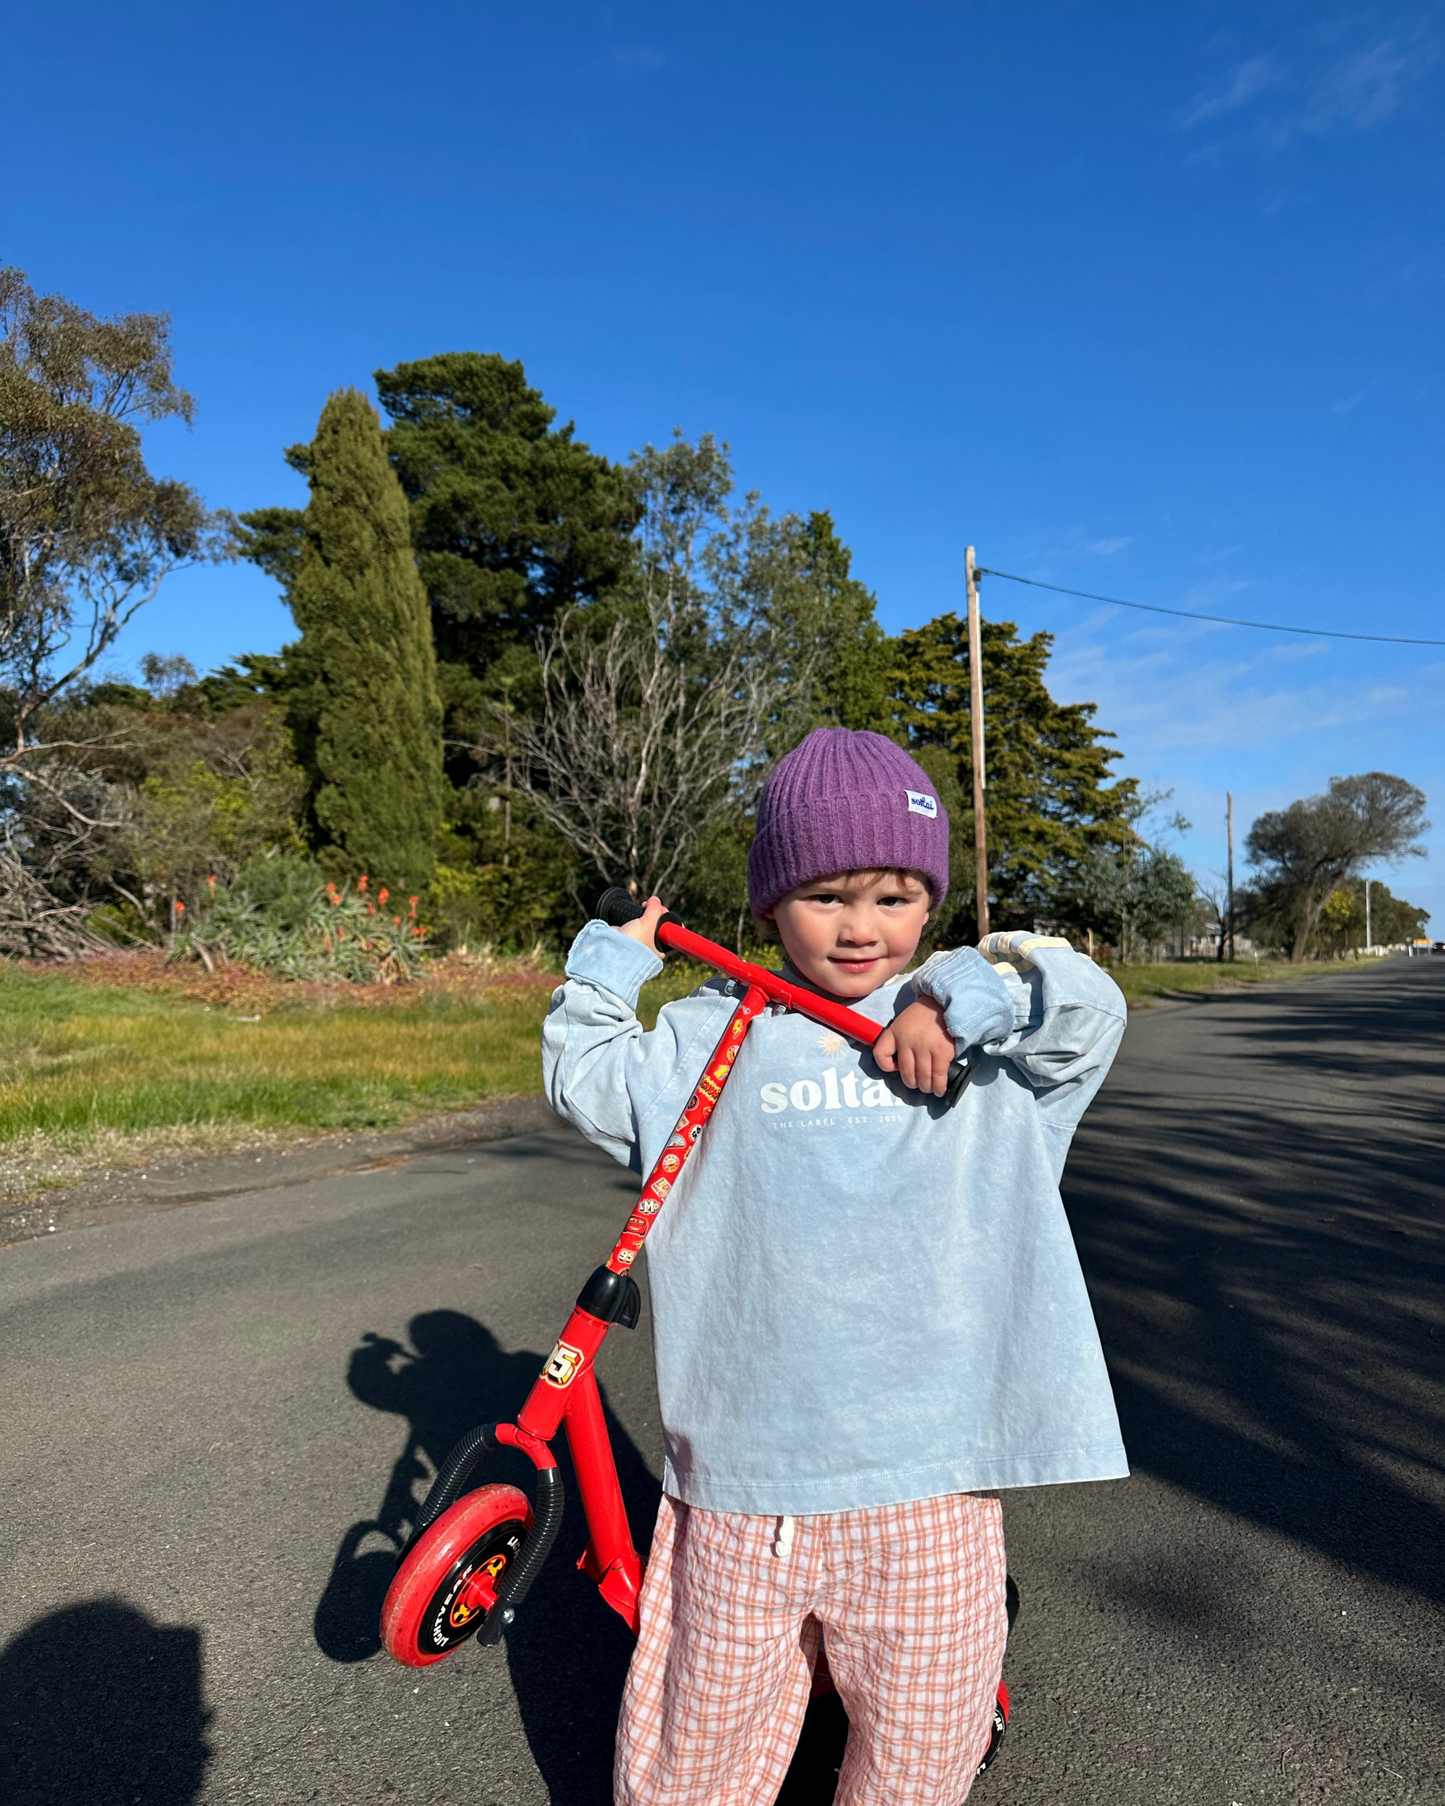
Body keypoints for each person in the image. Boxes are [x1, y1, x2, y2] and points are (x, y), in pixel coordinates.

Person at [541, 727, 1129, 1806]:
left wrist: (960, 990)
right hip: (738, 1490)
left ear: (931, 902)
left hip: (932, 1489)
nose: (862, 928)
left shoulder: (988, 1050)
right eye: (825, 896)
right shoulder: (706, 1034)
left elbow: (1086, 1000)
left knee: (916, 1764)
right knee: (691, 1765)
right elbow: (587, 1077)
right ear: (768, 903)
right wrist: (610, 956)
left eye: (897, 897)